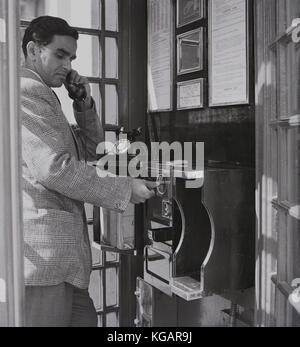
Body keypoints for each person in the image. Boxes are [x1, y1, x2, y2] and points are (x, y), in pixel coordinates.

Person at [21, 15, 157, 327]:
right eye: (59, 54)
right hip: (45, 262)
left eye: (71, 57)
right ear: (32, 49)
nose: (67, 65)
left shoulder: (46, 94)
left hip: (63, 262)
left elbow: (91, 149)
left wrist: (82, 102)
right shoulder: (26, 91)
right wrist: (124, 189)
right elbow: (55, 169)